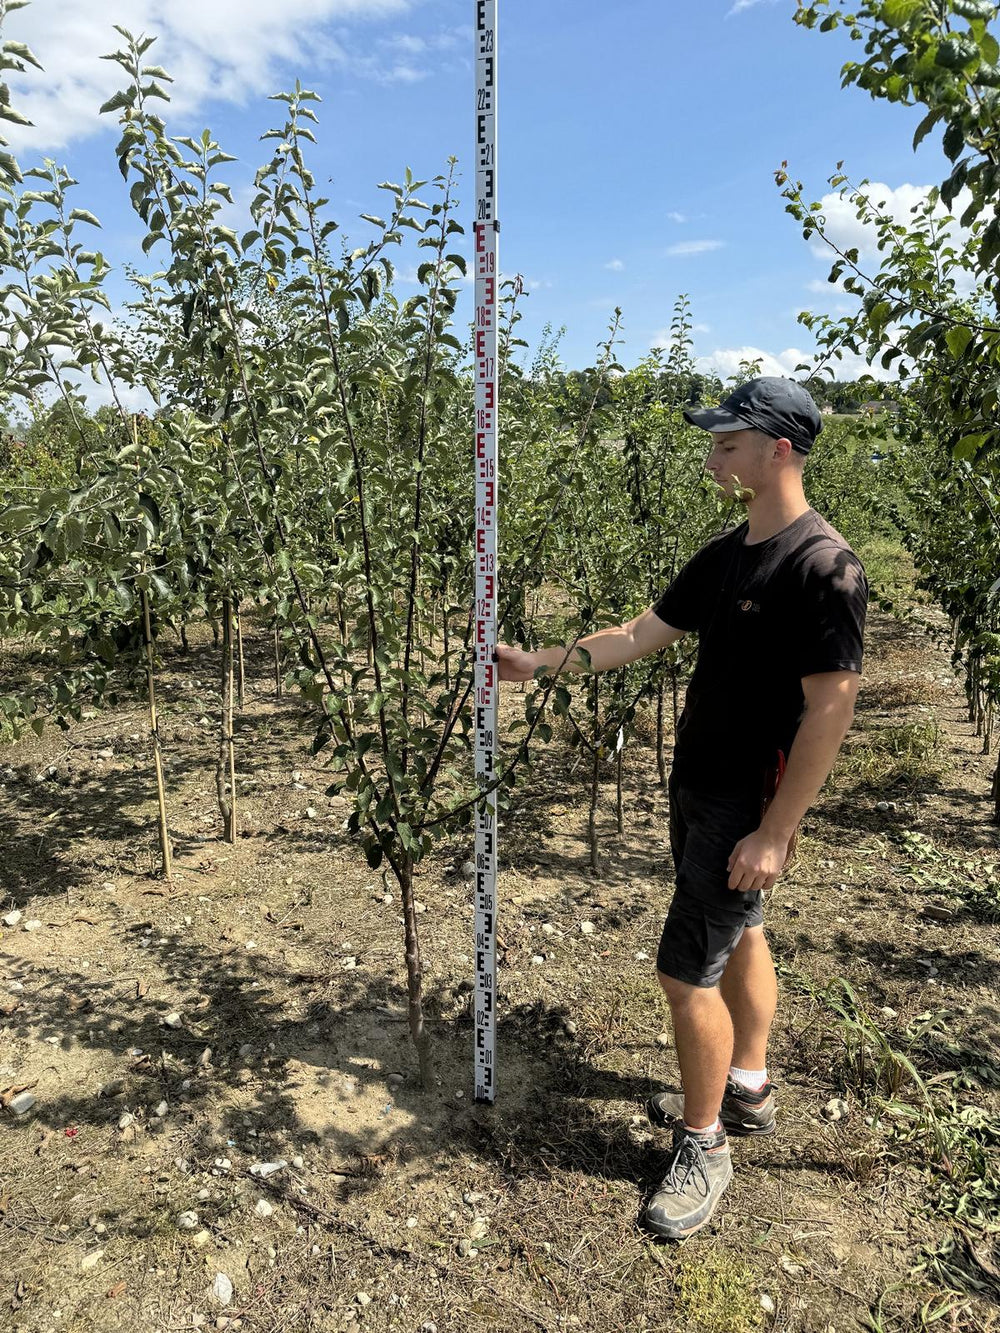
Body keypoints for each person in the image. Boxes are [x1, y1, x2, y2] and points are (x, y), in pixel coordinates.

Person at [496, 377, 868, 1239]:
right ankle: (747, 1088)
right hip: (699, 785)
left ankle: (703, 1147)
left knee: (682, 971)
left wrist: (776, 830)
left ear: (779, 448)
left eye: (728, 443)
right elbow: (634, 636)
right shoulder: (725, 554)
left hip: (747, 804)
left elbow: (831, 708)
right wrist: (538, 664)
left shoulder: (824, 568)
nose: (713, 457)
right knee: (741, 932)